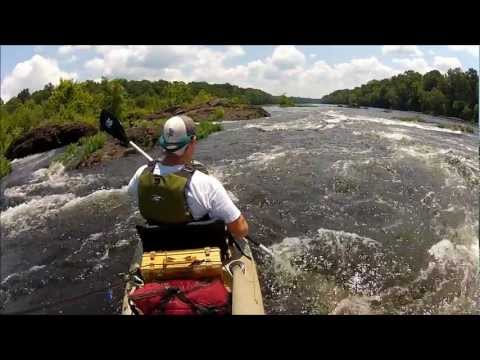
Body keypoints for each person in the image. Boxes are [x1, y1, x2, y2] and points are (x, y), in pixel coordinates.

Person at [127, 115, 248, 240]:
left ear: (163, 141)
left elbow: (132, 193)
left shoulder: (141, 174)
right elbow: (241, 230)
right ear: (192, 141)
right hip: (200, 250)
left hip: (157, 246)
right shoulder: (207, 184)